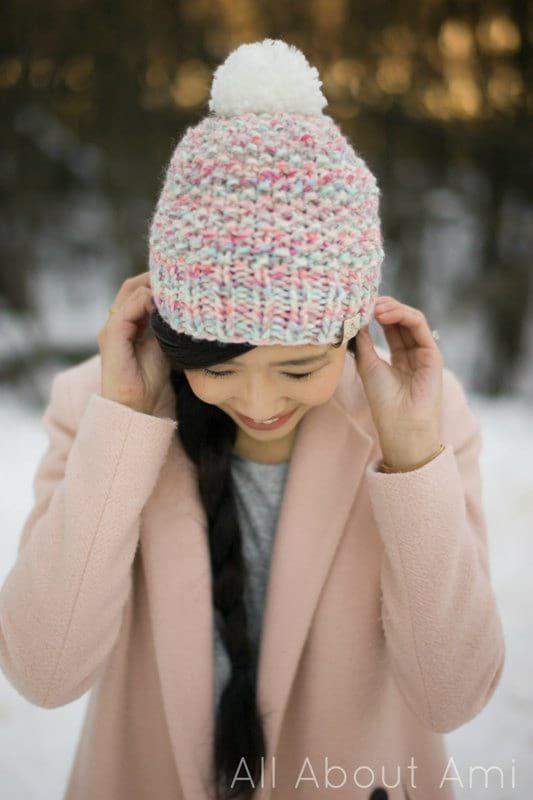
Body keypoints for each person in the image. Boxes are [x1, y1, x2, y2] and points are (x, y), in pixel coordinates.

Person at [0, 39, 505, 800]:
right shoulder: (96, 411)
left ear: (350, 332)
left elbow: (452, 696)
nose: (261, 403)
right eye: (219, 368)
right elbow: (43, 672)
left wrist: (410, 464)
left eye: (299, 368)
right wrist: (122, 427)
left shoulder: (419, 424)